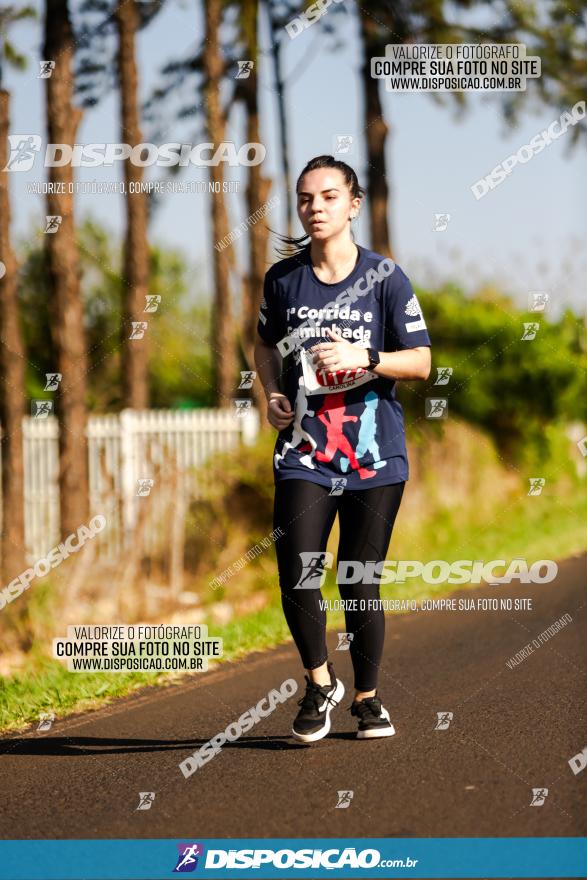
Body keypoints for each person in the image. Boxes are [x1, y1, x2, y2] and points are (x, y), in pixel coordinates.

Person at [254, 155, 431, 743]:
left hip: (373, 453)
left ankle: (368, 700)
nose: (315, 208)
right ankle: (318, 682)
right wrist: (273, 394)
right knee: (298, 575)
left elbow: (423, 363)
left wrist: (367, 358)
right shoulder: (282, 280)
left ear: (353, 204)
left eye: (329, 197)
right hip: (304, 451)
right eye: (306, 199)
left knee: (358, 578)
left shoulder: (386, 277)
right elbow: (262, 346)